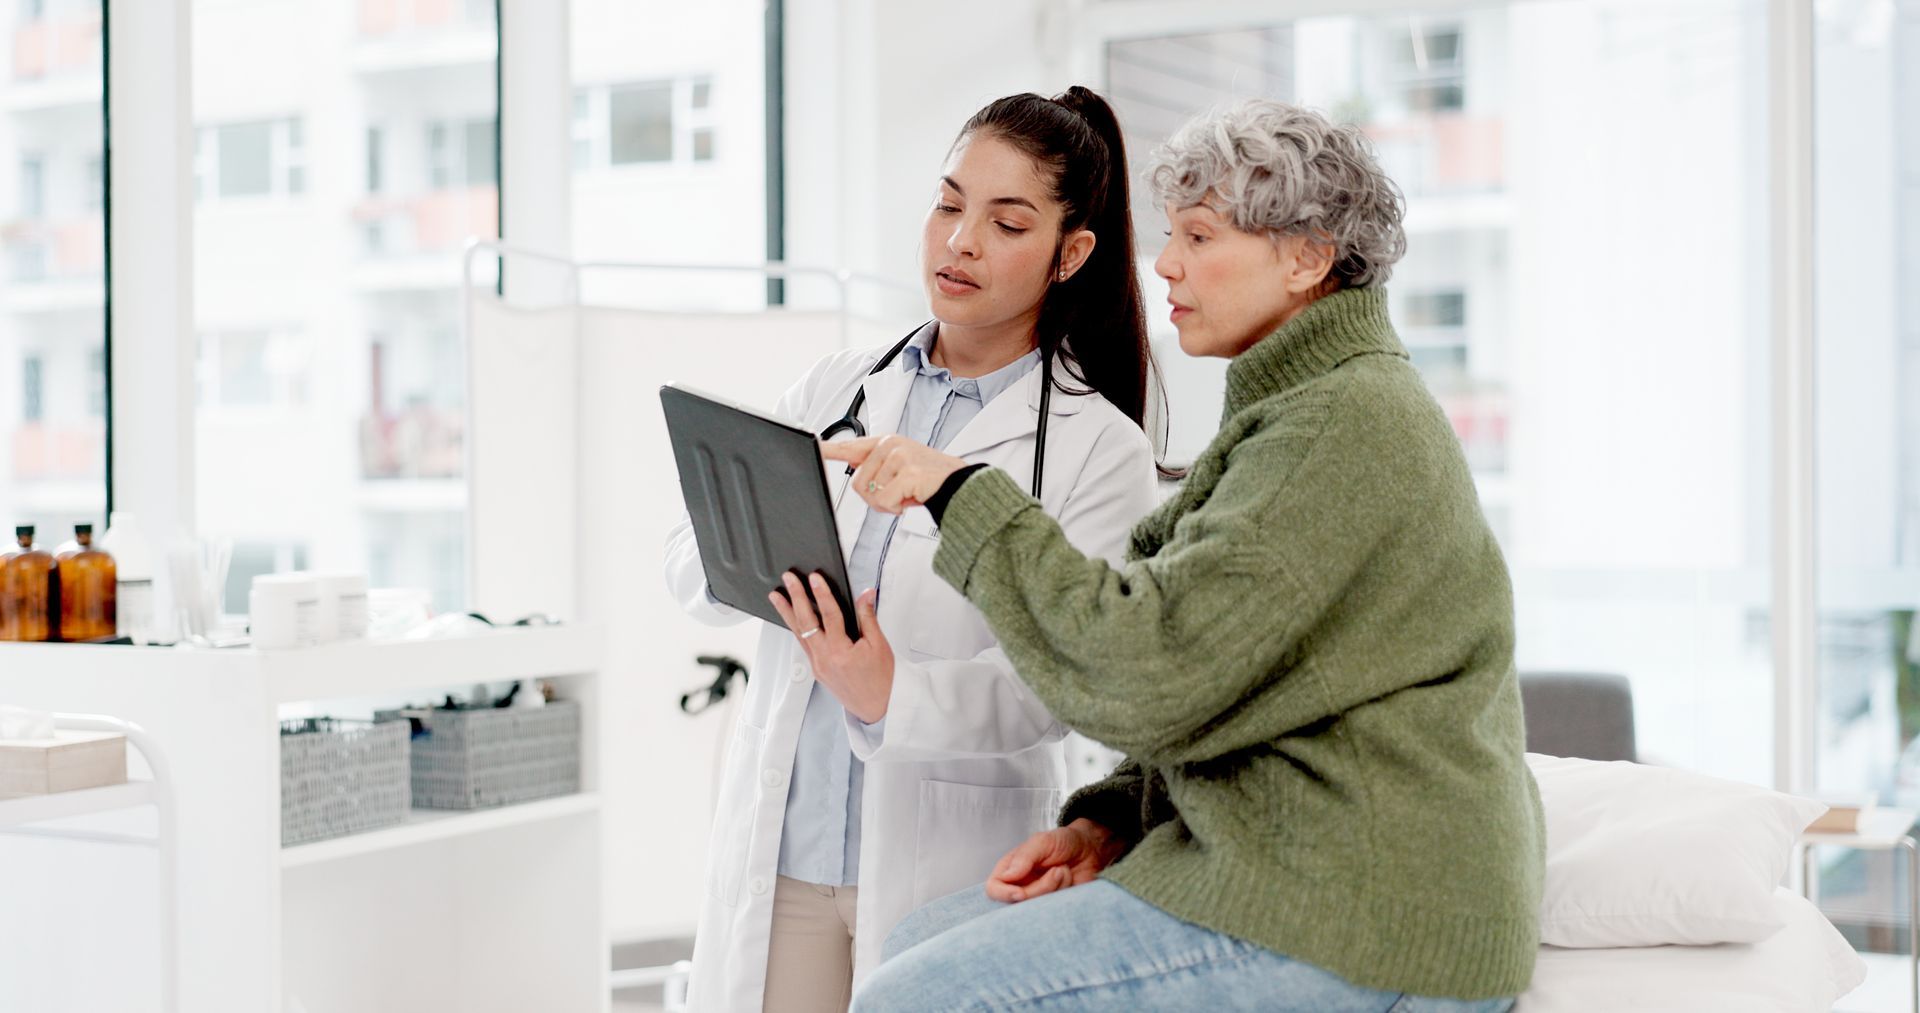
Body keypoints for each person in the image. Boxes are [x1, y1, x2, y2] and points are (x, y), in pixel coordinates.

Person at [823, 99, 1544, 1012]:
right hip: (1301, 873)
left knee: (914, 998)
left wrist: (959, 492)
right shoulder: (1301, 411)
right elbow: (1229, 677)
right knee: (917, 943)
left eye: (1200, 237)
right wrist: (1110, 818)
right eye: (1171, 235)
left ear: (1308, 256)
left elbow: (1144, 671)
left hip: (1366, 909)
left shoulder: (1341, 428)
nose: (1164, 262)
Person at [663, 86, 1163, 1013]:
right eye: (947, 204)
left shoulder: (1100, 450)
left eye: (1006, 222)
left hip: (947, 856)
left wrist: (888, 694)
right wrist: (760, 507)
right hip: (783, 856)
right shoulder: (838, 386)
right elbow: (689, 570)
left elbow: (1059, 682)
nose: (959, 240)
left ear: (1072, 252)